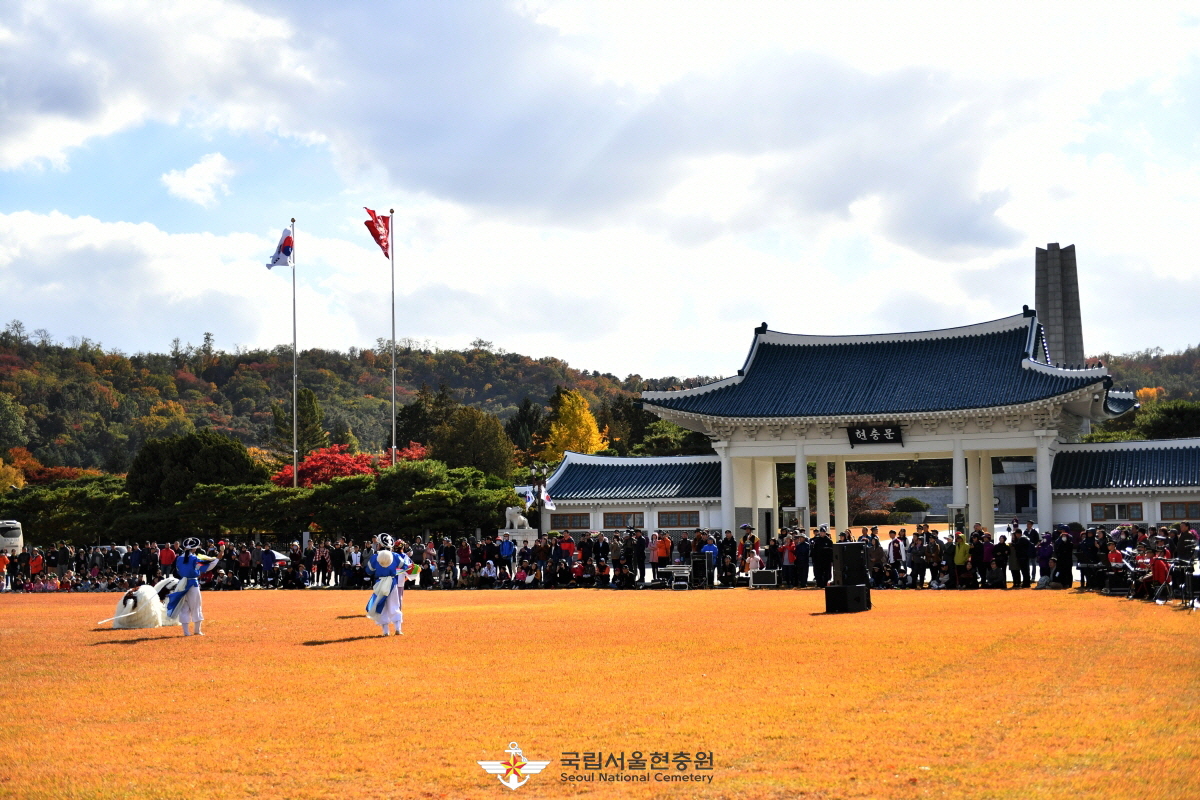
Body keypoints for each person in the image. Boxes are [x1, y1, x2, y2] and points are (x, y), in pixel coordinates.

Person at [165, 538, 219, 636]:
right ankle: (197, 630)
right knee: (196, 607)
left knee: (184, 607)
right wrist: (217, 559)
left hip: (182, 583)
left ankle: (186, 632)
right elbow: (206, 567)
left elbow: (177, 570)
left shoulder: (179, 558)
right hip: (193, 584)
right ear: (194, 549)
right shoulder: (194, 558)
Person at [365, 534, 412, 636]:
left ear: (381, 545)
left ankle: (386, 631)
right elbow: (404, 566)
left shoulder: (375, 557)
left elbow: (369, 571)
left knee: (382, 606)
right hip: (392, 582)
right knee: (394, 605)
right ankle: (398, 629)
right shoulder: (395, 556)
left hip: (379, 583)